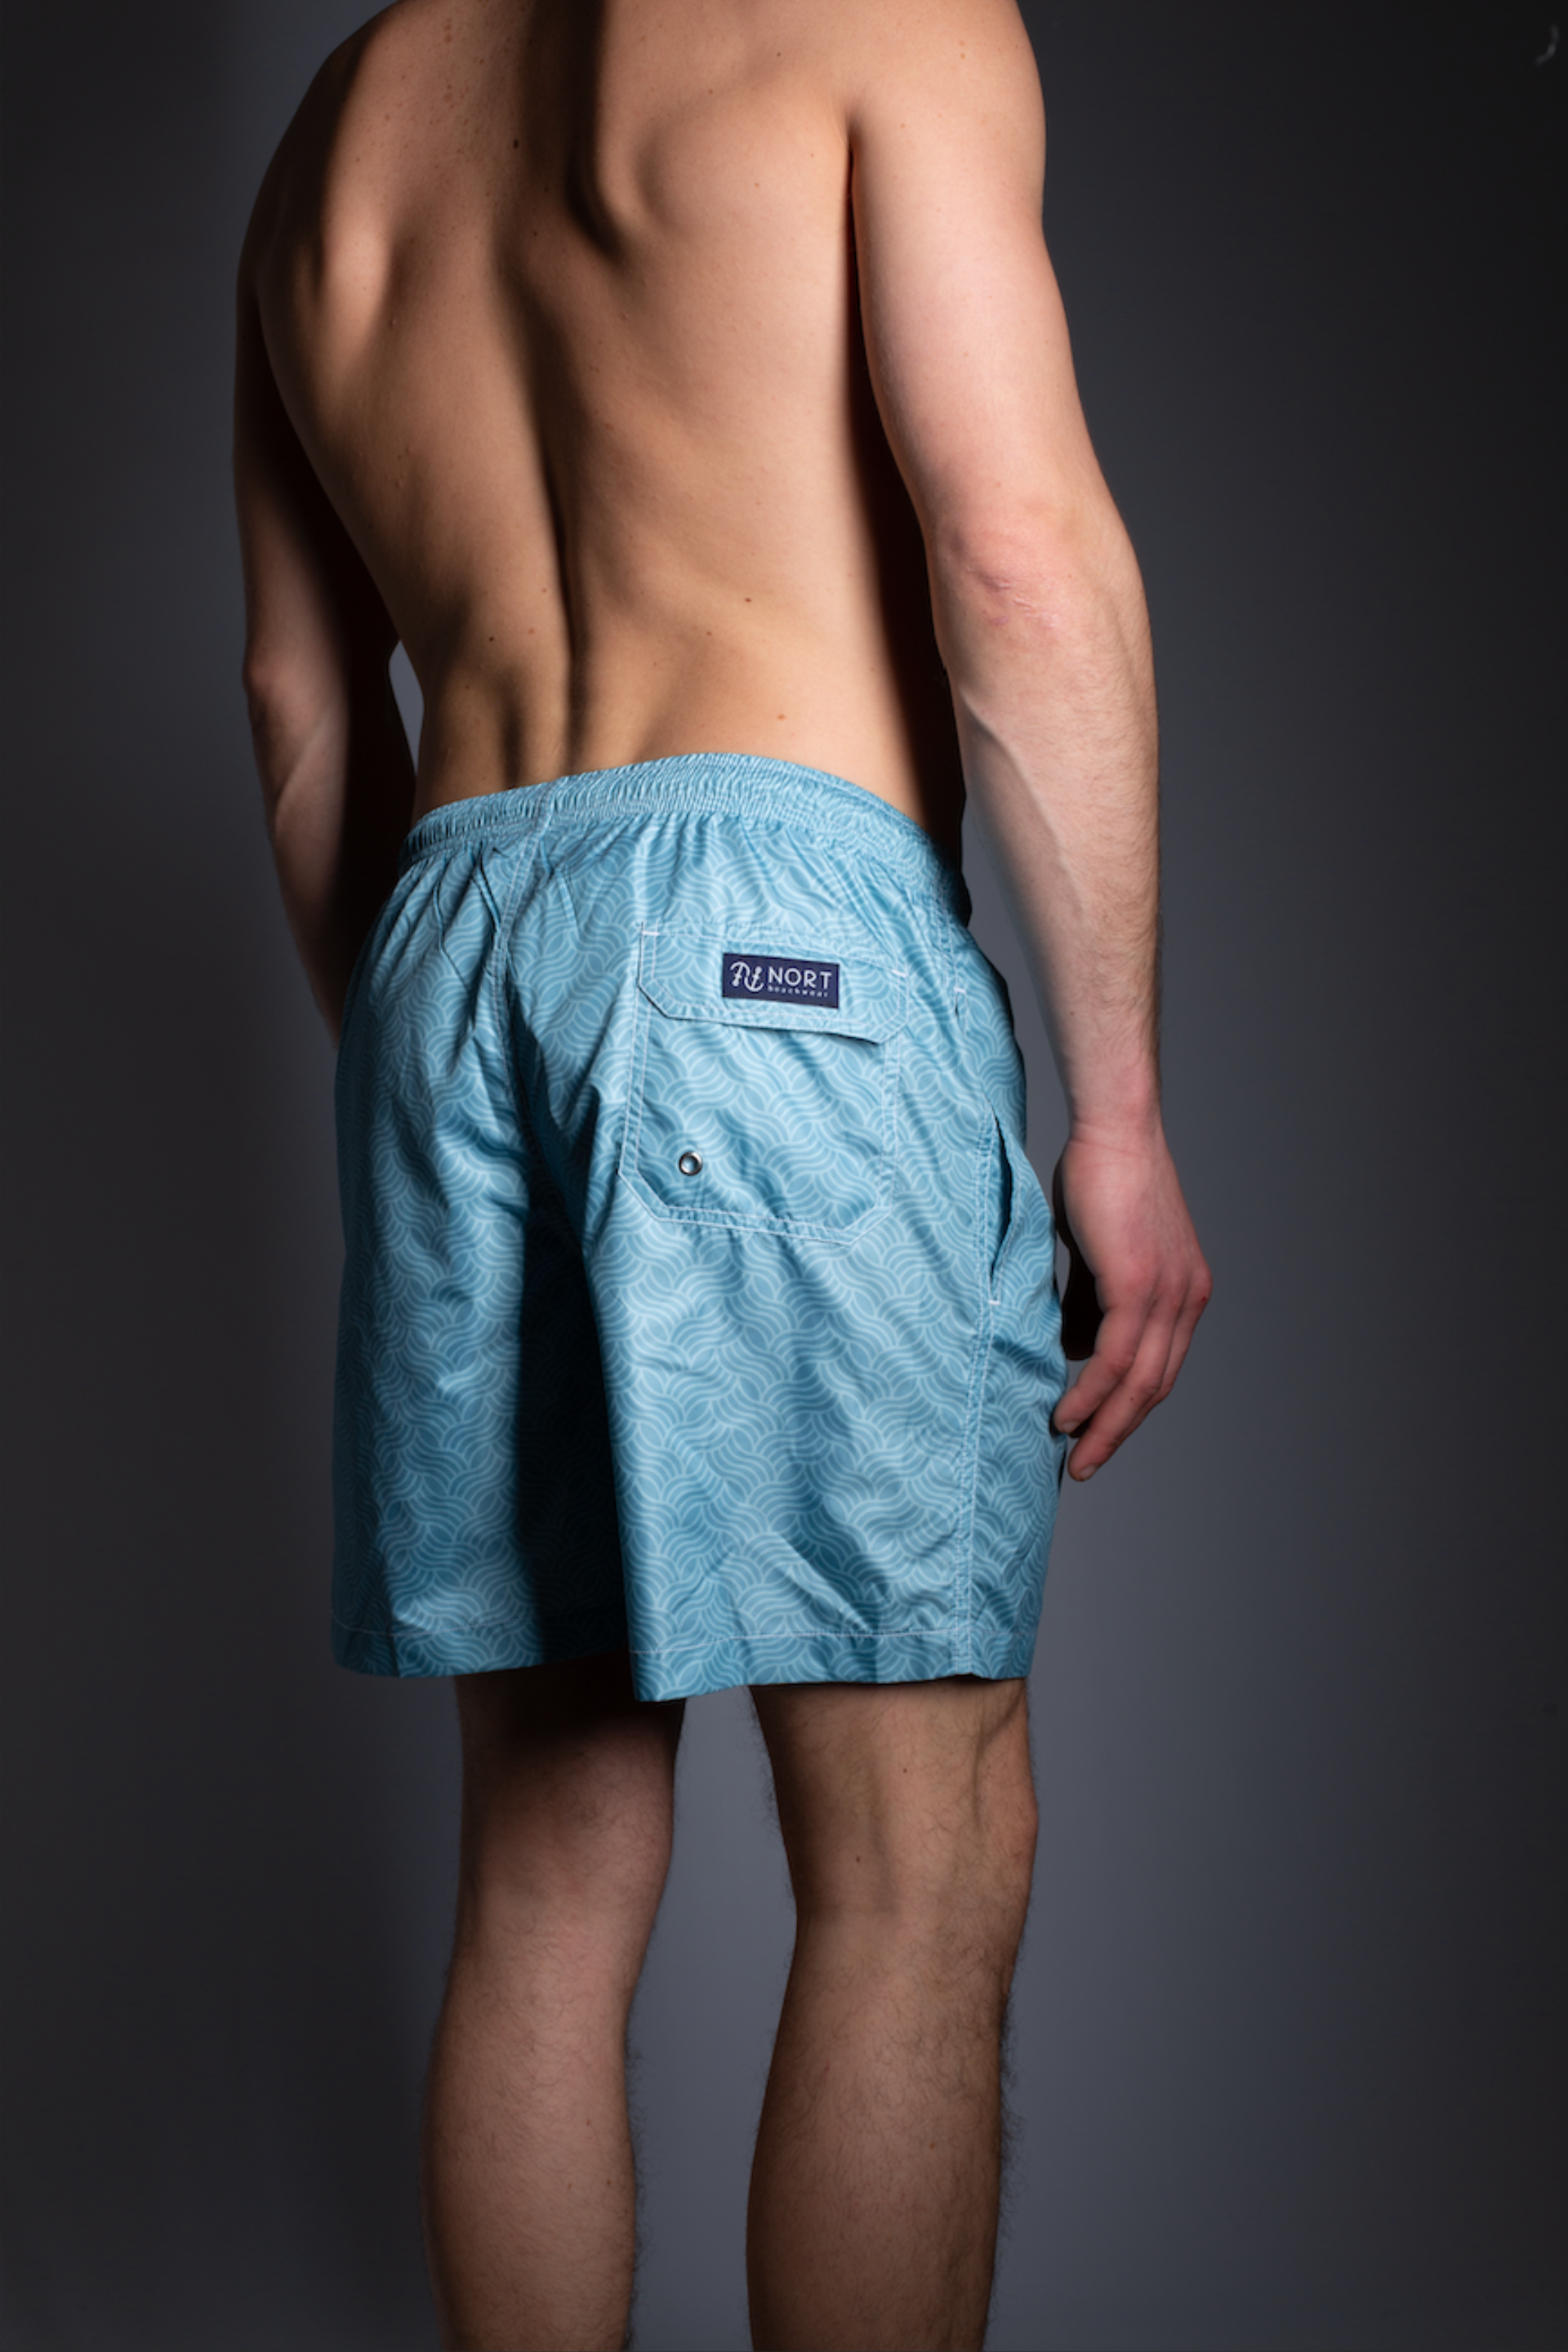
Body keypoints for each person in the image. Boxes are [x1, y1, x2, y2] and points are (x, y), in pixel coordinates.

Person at [234, 1, 1210, 2344]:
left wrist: (455, 1075)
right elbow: (1013, 552)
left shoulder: (335, 139)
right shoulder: (875, 11)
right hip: (783, 926)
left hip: (446, 938)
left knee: (545, 1875)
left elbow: (298, 701)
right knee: (915, 1860)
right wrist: (1116, 1107)